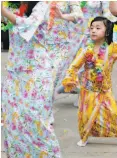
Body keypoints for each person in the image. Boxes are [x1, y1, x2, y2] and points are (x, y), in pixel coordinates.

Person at [62, 16, 117, 148]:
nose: (93, 31)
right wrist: (71, 79)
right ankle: (84, 137)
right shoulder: (86, 50)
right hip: (88, 89)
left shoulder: (113, 48)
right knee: (86, 116)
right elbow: (74, 66)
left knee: (114, 114)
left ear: (107, 32)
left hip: (105, 90)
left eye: (98, 28)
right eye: (91, 28)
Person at [1, 2, 62, 157]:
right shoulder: (19, 8)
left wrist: (3, 11)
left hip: (36, 73)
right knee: (13, 119)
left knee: (36, 120)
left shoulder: (43, 5)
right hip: (14, 73)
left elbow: (28, 24)